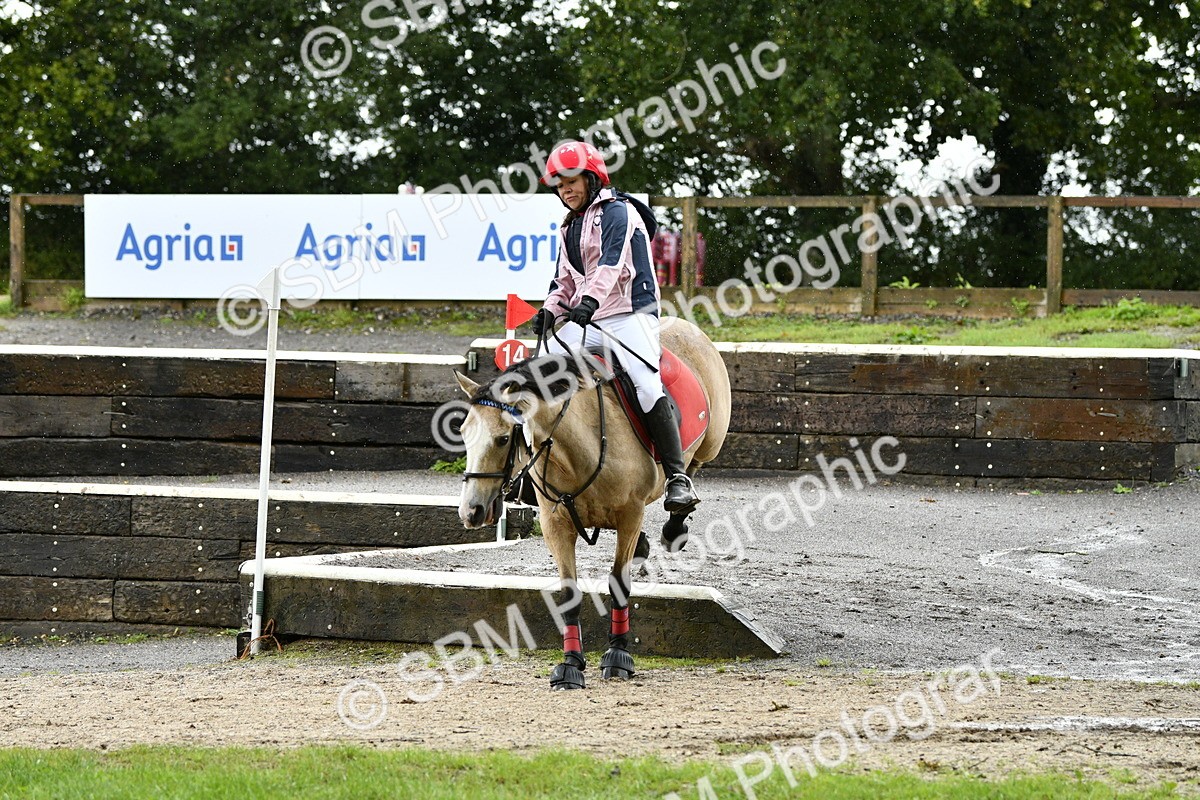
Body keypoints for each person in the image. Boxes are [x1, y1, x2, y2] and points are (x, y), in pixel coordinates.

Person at [532, 140, 698, 513]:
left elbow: (610, 264)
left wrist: (588, 303)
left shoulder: (619, 212)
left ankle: (677, 477)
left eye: (571, 181)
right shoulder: (568, 227)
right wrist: (550, 310)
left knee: (644, 380)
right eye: (560, 185)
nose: (566, 190)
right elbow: (563, 282)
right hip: (588, 315)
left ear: (591, 178)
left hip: (630, 314)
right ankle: (534, 469)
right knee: (539, 367)